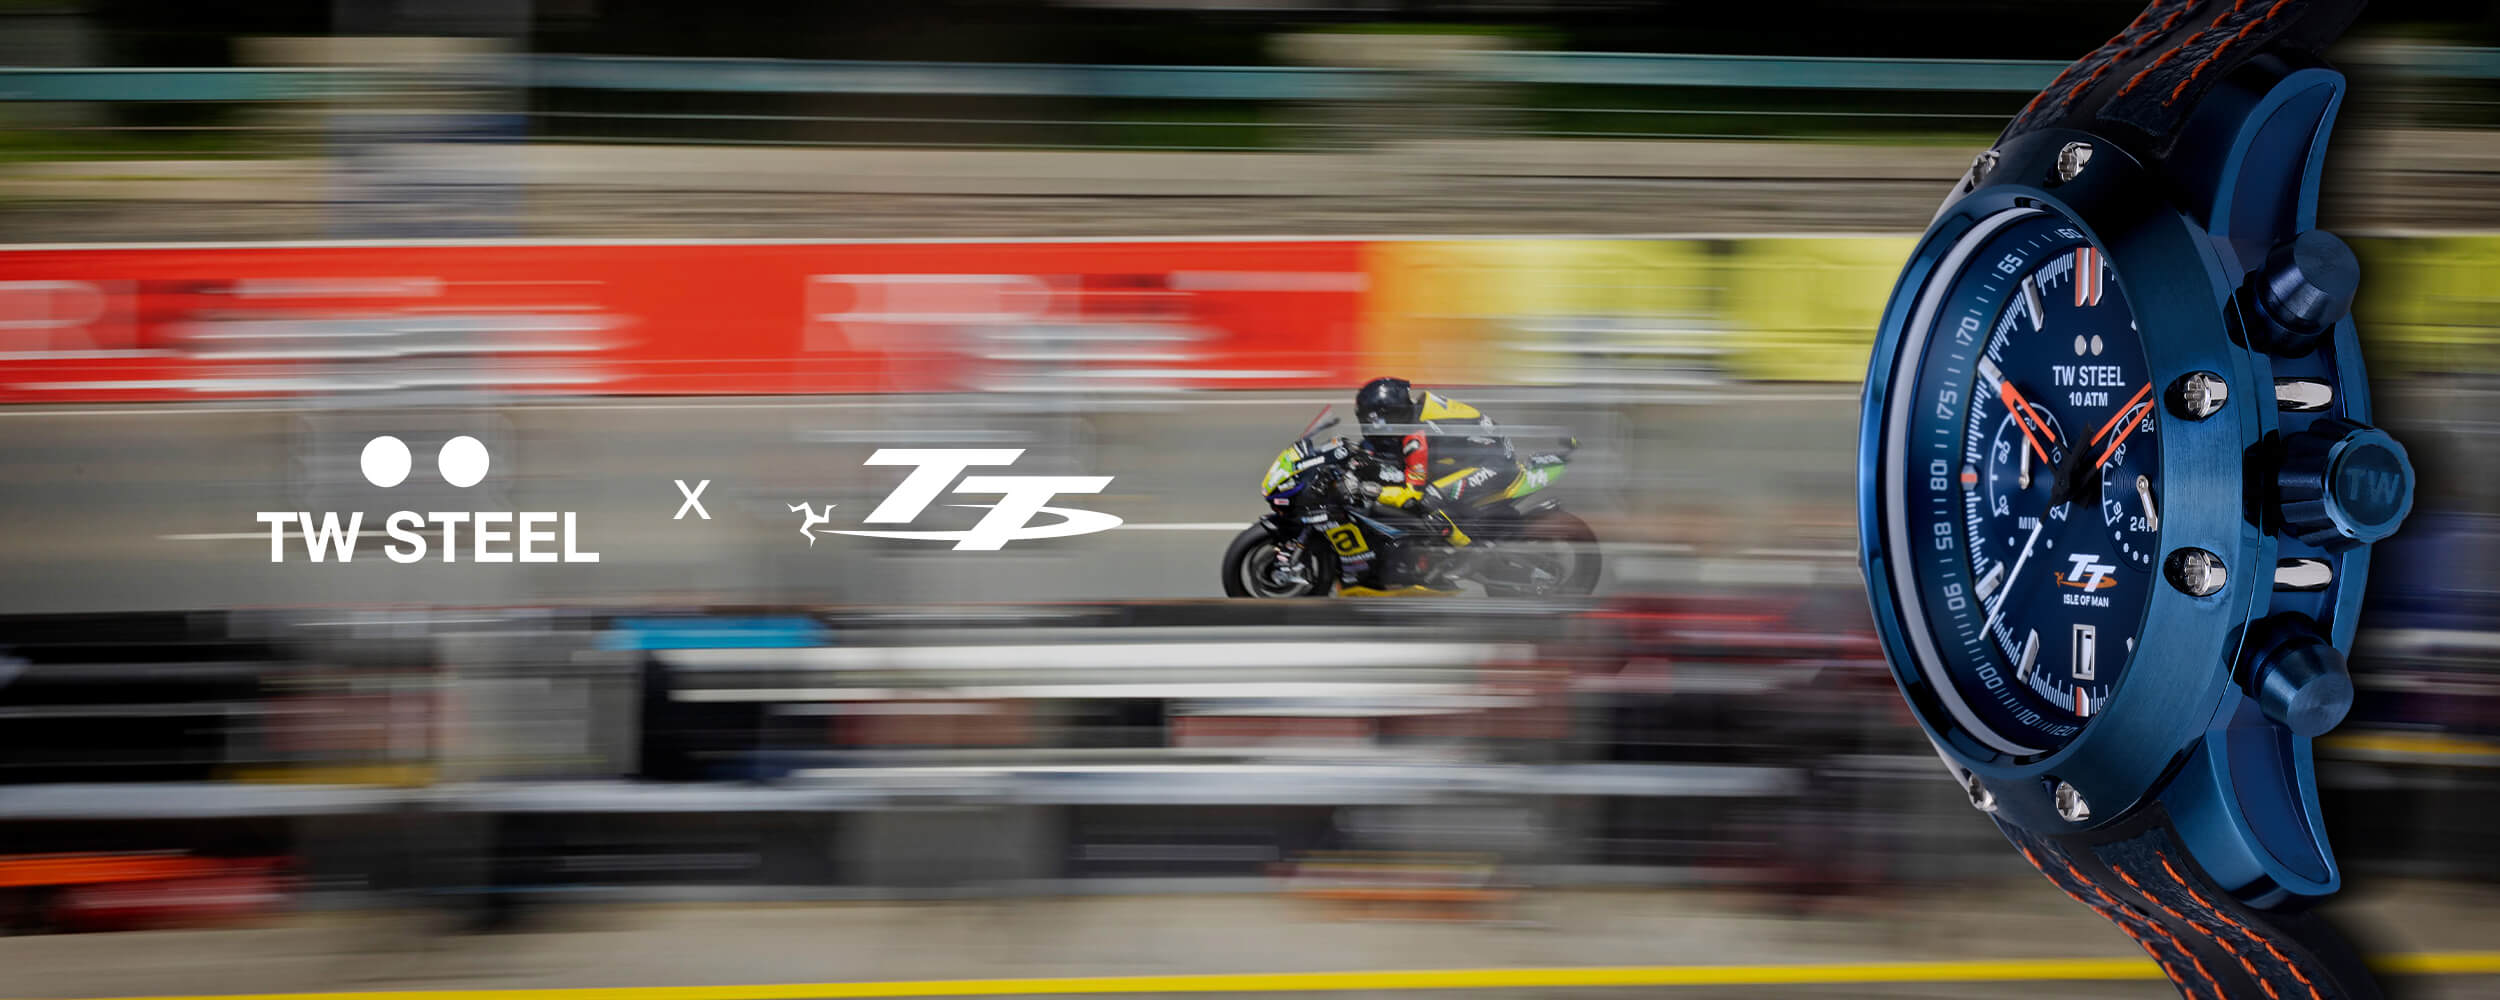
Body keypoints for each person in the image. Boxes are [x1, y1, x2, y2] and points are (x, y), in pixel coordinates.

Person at [1351, 377, 1521, 534]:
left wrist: (1372, 492)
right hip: (1482, 450)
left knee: (1429, 499)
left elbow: (1413, 495)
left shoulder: (1416, 439)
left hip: (1494, 464)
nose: (1369, 426)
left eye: (1372, 421)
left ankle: (1465, 548)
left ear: (1389, 415)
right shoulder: (1414, 412)